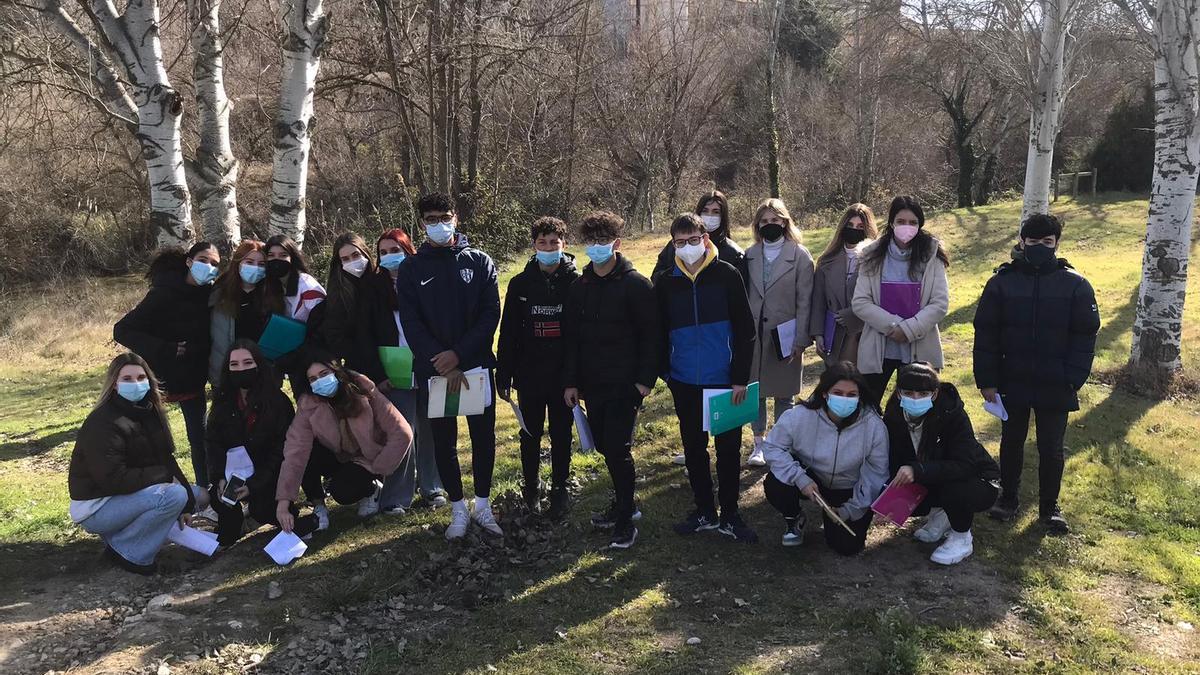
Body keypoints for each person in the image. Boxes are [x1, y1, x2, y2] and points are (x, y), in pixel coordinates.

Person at [973, 213, 1099, 534]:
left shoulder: (1076, 285)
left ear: (1056, 243)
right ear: (1021, 242)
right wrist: (987, 380)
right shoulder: (1001, 282)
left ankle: (1049, 507)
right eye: (1033, 241)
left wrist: (1074, 377)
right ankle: (1009, 498)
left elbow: (1085, 335)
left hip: (1056, 381)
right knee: (1011, 441)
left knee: (1051, 447)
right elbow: (985, 334)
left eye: (1047, 241)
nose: (1040, 246)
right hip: (1012, 378)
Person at [395, 192, 503, 541]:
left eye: (444, 216)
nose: (439, 224)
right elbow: (411, 322)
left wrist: (459, 354)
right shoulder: (411, 268)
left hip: (475, 368)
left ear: (456, 218)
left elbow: (490, 315)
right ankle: (458, 509)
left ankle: (482, 506)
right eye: (431, 219)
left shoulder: (480, 260)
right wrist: (440, 360)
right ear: (421, 223)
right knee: (444, 442)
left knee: (483, 438)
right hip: (436, 372)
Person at [655, 213, 758, 541]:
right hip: (684, 380)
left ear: (706, 240)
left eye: (693, 240)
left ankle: (730, 514)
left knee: (728, 450)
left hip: (725, 380)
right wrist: (667, 373)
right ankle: (704, 511)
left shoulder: (727, 275)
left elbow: (746, 331)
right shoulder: (665, 282)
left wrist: (740, 377)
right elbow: (657, 332)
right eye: (680, 242)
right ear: (673, 244)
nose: (687, 247)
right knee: (694, 449)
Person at [563, 210, 659, 549]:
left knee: (618, 449)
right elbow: (571, 339)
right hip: (592, 384)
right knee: (603, 445)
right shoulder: (579, 287)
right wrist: (571, 382)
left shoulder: (636, 285)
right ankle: (624, 503)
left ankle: (624, 522)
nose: (596, 248)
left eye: (603, 242)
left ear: (616, 244)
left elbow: (652, 336)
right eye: (591, 242)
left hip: (626, 383)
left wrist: (645, 379)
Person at [68, 353, 204, 575]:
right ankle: (131, 553)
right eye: (128, 379)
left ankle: (121, 537)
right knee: (174, 496)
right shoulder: (103, 423)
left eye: (141, 378)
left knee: (198, 496)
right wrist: (164, 478)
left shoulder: (149, 411)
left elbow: (165, 459)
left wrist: (187, 507)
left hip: (126, 495)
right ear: (114, 384)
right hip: (98, 507)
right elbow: (113, 480)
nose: (136, 384)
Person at [114, 242, 221, 488]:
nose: (209, 267)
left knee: (199, 439)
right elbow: (122, 330)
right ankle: (158, 489)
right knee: (153, 441)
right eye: (204, 260)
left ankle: (205, 488)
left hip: (193, 378)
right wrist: (166, 348)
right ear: (189, 261)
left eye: (215, 264)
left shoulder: (210, 295)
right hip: (157, 381)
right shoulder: (163, 293)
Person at [497, 216, 580, 517]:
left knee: (561, 433)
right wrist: (503, 372)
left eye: (554, 243)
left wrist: (574, 377)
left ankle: (560, 489)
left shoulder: (576, 282)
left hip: (562, 376)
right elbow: (508, 332)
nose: (548, 248)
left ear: (564, 245)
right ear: (533, 246)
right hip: (529, 374)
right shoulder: (520, 283)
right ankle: (531, 488)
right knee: (529, 434)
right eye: (542, 243)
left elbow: (579, 336)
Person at [760, 362, 888, 555]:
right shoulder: (799, 416)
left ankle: (833, 516)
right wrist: (800, 478)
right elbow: (772, 447)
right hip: (811, 478)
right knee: (775, 483)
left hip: (849, 486)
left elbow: (877, 472)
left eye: (851, 395)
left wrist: (850, 510)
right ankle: (794, 517)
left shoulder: (874, 426)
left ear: (860, 397)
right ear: (825, 393)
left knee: (848, 547)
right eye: (838, 392)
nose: (844, 399)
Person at [275, 354, 413, 534]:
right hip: (339, 455)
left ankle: (372, 488)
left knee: (342, 492)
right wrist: (283, 504)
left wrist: (377, 466)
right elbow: (295, 452)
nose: (320, 381)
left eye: (324, 374)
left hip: (369, 457)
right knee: (307, 453)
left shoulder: (364, 389)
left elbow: (402, 432)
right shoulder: (308, 405)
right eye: (313, 379)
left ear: (336, 372)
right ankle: (318, 505)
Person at [882, 362, 1001, 565]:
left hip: (978, 480)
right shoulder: (893, 415)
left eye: (922, 393)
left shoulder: (952, 414)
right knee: (900, 496)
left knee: (956, 486)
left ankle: (962, 536)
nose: (915, 399)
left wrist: (917, 470)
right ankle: (942, 513)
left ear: (935, 394)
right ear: (899, 393)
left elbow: (965, 465)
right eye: (908, 393)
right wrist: (889, 502)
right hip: (932, 476)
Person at [206, 340, 318, 545]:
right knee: (219, 497)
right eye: (234, 365)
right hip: (234, 475)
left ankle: (295, 518)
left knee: (264, 508)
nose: (241, 369)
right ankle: (232, 529)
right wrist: (219, 476)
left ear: (259, 364)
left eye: (247, 362)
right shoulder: (222, 401)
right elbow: (213, 443)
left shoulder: (277, 402)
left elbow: (281, 451)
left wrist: (254, 485)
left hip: (268, 473)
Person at [372, 228, 446, 515]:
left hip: (429, 362)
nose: (390, 257)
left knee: (431, 427)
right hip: (395, 368)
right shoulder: (374, 289)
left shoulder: (425, 279)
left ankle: (432, 487)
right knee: (402, 433)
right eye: (384, 252)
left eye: (396, 250)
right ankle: (396, 497)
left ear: (408, 250)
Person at [851, 195, 950, 407]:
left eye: (913, 222)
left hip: (920, 345)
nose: (907, 227)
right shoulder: (871, 255)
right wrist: (893, 327)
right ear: (891, 223)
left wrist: (908, 330)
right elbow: (861, 302)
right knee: (867, 407)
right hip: (880, 346)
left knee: (918, 408)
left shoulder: (932, 255)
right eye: (901, 221)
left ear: (920, 225)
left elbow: (939, 303)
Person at [743, 198, 814, 467]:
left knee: (785, 393)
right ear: (757, 225)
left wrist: (801, 339)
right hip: (754, 336)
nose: (770, 225)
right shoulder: (749, 255)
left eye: (775, 220)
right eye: (764, 221)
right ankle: (759, 444)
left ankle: (782, 443)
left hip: (785, 335)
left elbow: (805, 300)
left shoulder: (799, 255)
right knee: (756, 392)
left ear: (785, 222)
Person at [811, 203, 878, 367]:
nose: (854, 229)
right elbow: (818, 301)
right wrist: (818, 334)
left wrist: (854, 314)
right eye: (850, 225)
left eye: (860, 226)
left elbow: (880, 298)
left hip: (864, 333)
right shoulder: (826, 260)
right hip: (834, 334)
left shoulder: (876, 260)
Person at [262, 234, 327, 394]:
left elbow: (322, 325)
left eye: (283, 255)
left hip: (315, 359)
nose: (277, 260)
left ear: (293, 258)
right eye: (271, 256)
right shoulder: (273, 287)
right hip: (293, 358)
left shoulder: (306, 285)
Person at [209, 239, 270, 386]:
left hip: (263, 373)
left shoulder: (272, 296)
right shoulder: (218, 295)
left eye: (261, 264)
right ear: (238, 263)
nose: (255, 268)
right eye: (249, 262)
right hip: (226, 372)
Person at [652, 190, 746, 280]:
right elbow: (657, 277)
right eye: (705, 211)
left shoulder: (734, 253)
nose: (709, 216)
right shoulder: (677, 246)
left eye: (716, 212)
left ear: (723, 216)